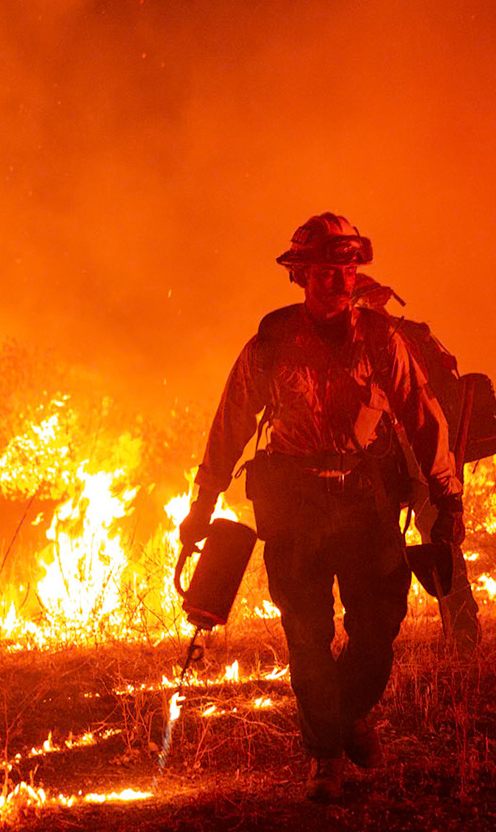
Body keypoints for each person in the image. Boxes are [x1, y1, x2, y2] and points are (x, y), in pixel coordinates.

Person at [181, 213, 464, 802]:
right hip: (296, 503)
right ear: (301, 275)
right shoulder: (272, 342)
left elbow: (423, 414)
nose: (339, 279)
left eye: (348, 269)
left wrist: (447, 496)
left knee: (379, 625)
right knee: (306, 634)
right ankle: (325, 758)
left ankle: (348, 712)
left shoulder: (384, 340)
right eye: (326, 271)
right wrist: (201, 504)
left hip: (365, 499)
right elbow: (228, 424)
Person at [353, 273, 484, 652]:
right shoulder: (400, 335)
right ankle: (454, 634)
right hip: (397, 458)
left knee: (438, 543)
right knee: (415, 544)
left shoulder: (394, 338)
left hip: (412, 457)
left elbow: (423, 405)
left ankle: (460, 633)